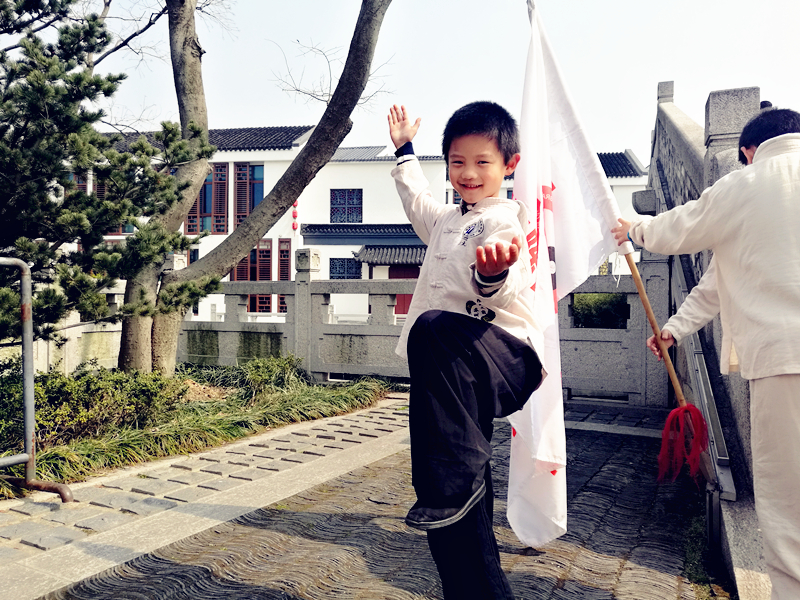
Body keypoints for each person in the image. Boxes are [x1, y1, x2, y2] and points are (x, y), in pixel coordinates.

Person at [612, 107, 800, 600]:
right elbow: (719, 282)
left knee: (787, 510)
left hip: (784, 363)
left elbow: (685, 226)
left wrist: (635, 229)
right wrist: (673, 329)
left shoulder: (746, 185)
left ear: (747, 151)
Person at [388, 102, 545, 599]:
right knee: (446, 486)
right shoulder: (445, 222)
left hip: (503, 357)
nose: (469, 174)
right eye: (458, 162)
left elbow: (505, 282)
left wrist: (493, 272)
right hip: (452, 367)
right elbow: (416, 198)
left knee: (431, 327)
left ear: (509, 166)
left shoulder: (504, 223)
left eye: (483, 162)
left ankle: (448, 490)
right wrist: (404, 149)